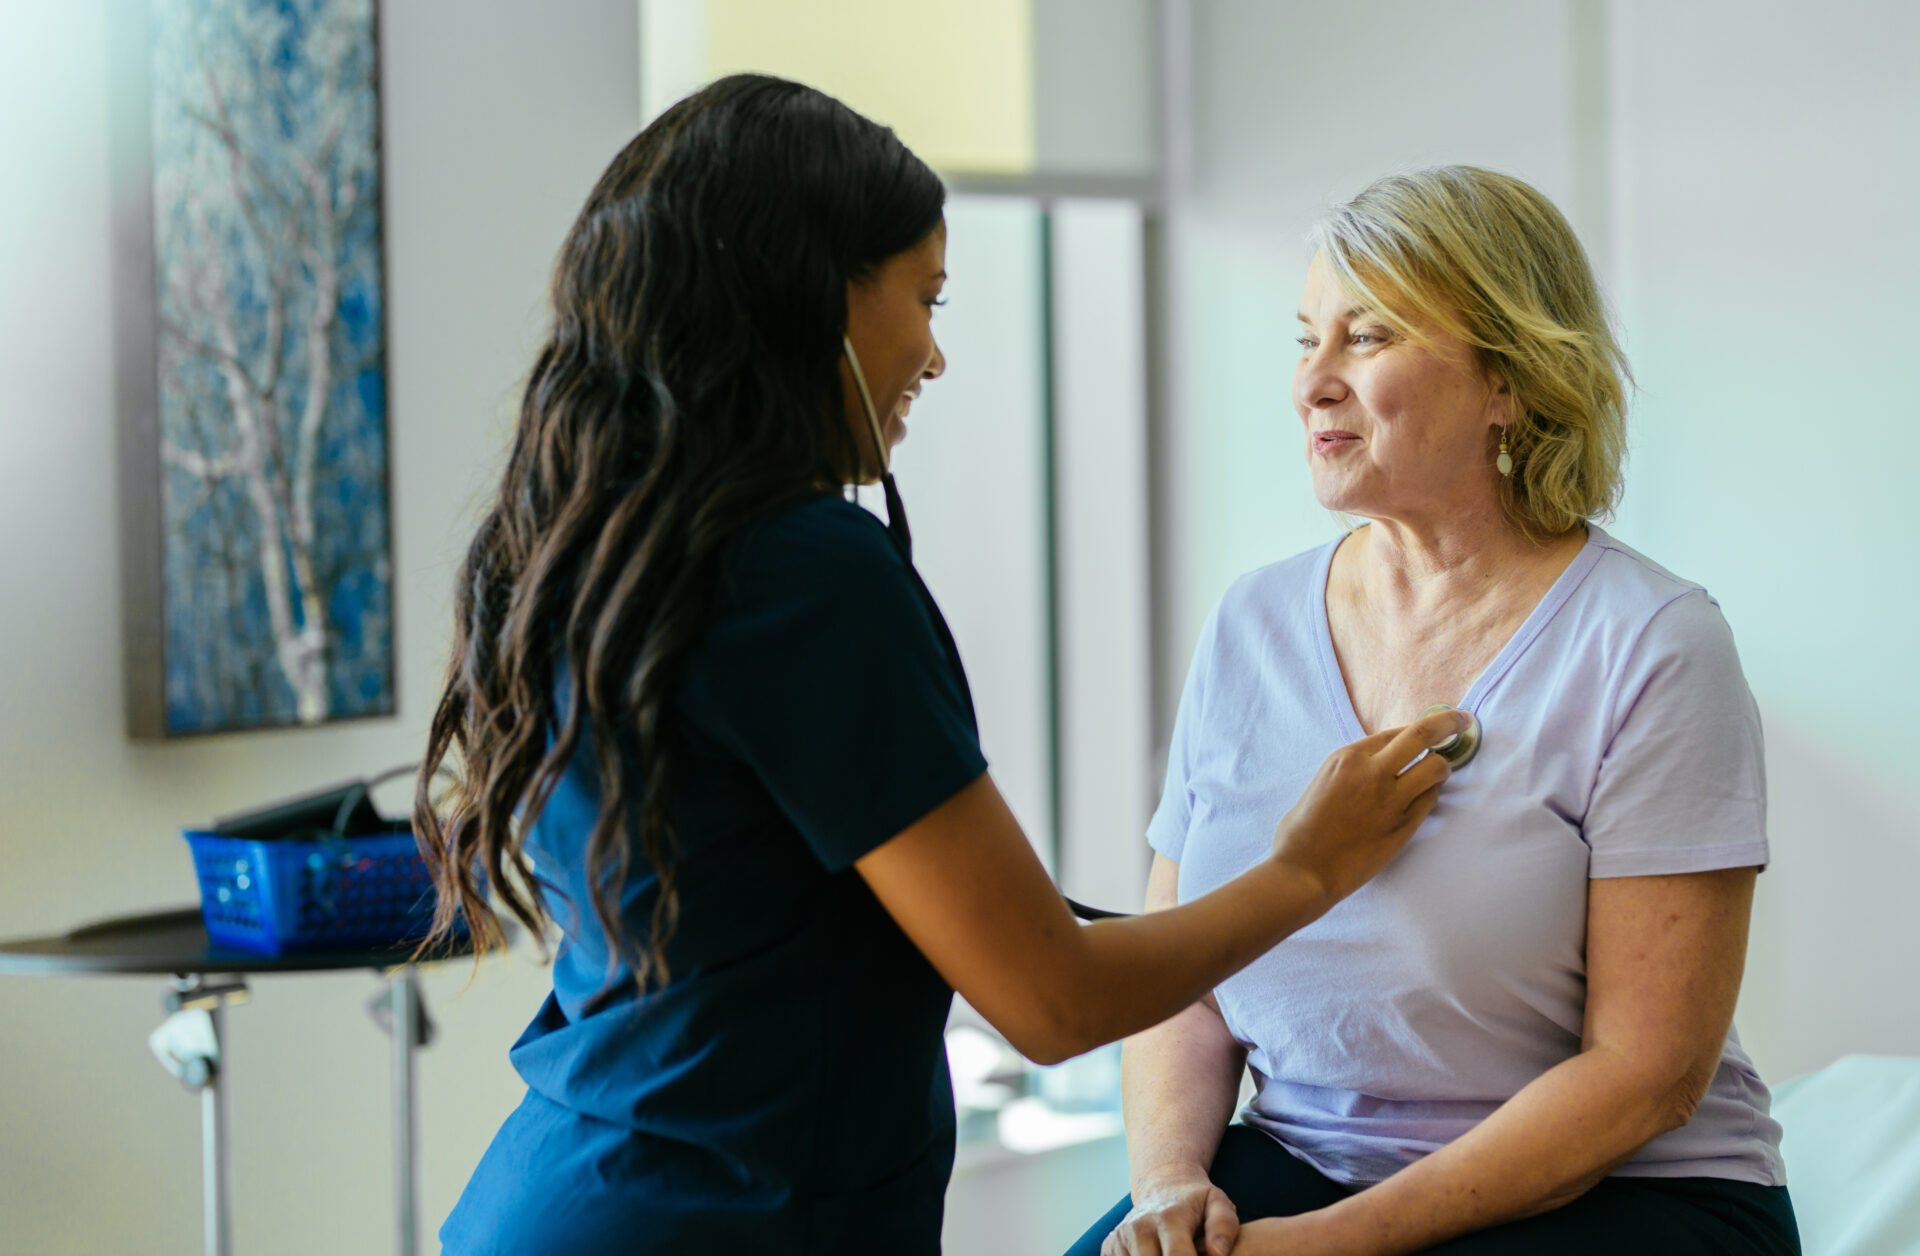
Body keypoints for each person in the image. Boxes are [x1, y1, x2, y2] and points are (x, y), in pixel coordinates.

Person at [411, 75, 1468, 1255]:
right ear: (811, 297)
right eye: (925, 296)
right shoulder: (804, 571)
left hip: (553, 1196)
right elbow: (1052, 998)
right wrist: (1309, 868)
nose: (936, 351)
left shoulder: (578, 544)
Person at [1071, 166, 1799, 1256]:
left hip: (1628, 1190)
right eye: (1305, 338)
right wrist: (1168, 1183)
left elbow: (1647, 1075)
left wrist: (1323, 1245)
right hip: (1307, 1153)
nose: (1313, 383)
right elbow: (1188, 985)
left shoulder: (1654, 644)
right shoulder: (1249, 622)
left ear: (1508, 377)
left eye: (1366, 338)